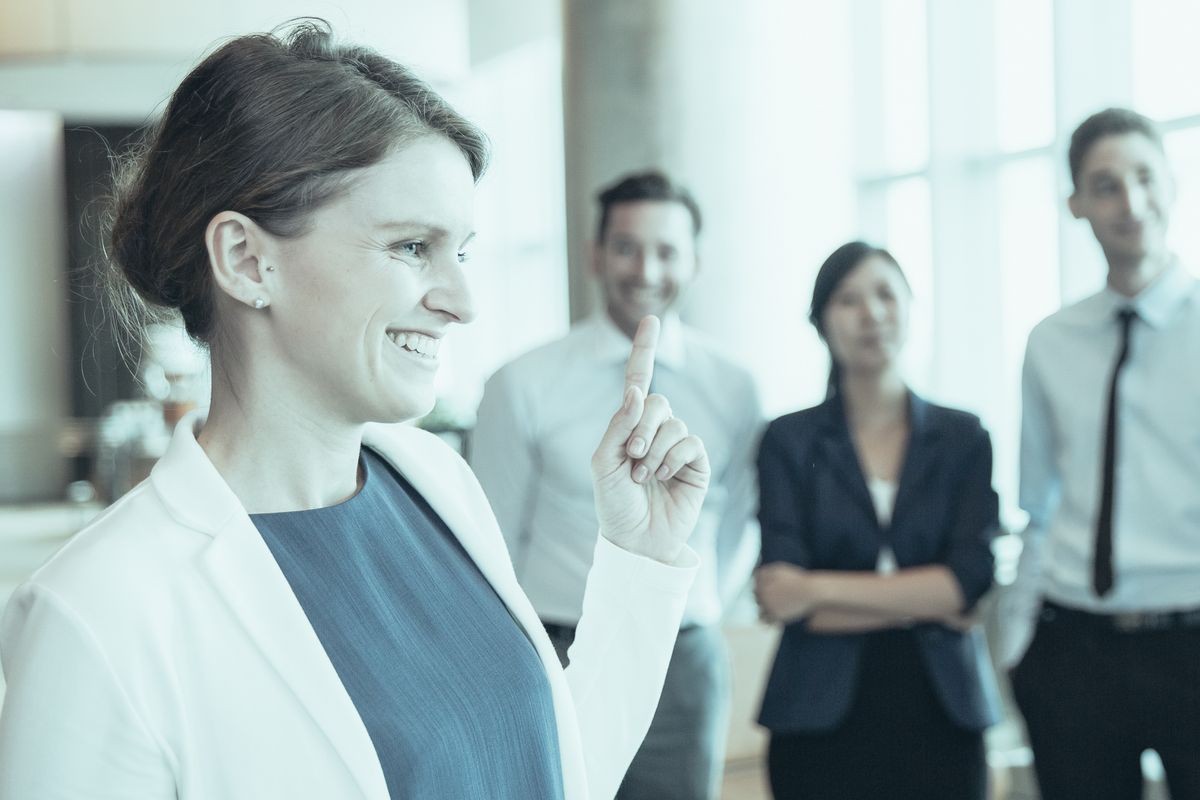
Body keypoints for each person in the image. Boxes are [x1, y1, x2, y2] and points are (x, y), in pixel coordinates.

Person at [0, 22, 712, 800]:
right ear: (246, 260)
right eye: (412, 247)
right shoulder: (99, 612)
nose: (462, 301)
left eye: (462, 251)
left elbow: (548, 773)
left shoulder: (439, 483)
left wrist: (639, 559)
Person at [471, 170, 761, 800]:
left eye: (666, 250)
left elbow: (740, 521)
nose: (646, 268)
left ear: (695, 260)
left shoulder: (736, 386)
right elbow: (491, 538)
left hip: (684, 656)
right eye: (627, 247)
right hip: (555, 644)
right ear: (595, 255)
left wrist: (700, 597)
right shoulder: (522, 382)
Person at [753, 241, 1001, 800]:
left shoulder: (964, 438)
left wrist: (816, 590)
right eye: (848, 300)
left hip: (944, 708)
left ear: (912, 306)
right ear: (820, 321)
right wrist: (923, 599)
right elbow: (779, 595)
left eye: (886, 294)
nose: (872, 315)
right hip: (817, 712)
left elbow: (965, 583)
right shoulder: (788, 441)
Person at [1004, 107, 1200, 800]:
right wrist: (1019, 649)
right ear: (1077, 205)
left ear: (1173, 183)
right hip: (1073, 647)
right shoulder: (1051, 341)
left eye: (1145, 177)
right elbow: (1037, 502)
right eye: (1106, 185)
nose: (1131, 202)